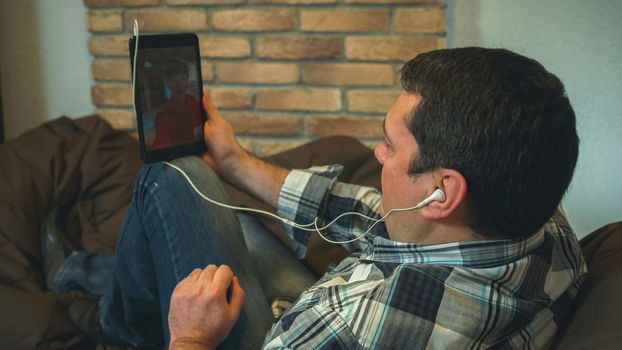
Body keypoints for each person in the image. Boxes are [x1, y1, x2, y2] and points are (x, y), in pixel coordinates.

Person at [50, 47, 585, 349]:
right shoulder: (544, 223)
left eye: (389, 144)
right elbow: (377, 215)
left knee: (172, 177)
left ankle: (112, 323)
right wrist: (234, 161)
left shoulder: (360, 329)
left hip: (291, 334)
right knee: (226, 203)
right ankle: (96, 273)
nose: (376, 155)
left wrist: (189, 337)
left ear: (442, 192)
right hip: (330, 301)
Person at [150, 59, 202, 149]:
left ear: (188, 79)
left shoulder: (192, 101)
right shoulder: (163, 114)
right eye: (174, 80)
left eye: (183, 78)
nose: (179, 84)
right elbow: (162, 140)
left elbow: (199, 124)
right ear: (168, 83)